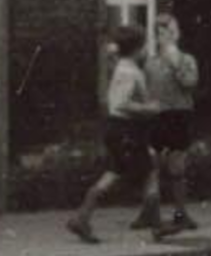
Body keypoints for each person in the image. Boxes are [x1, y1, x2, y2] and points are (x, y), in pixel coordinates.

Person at [66, 25, 161, 244]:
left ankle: (82, 217)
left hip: (116, 129)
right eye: (145, 45)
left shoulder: (121, 66)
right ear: (138, 48)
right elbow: (121, 103)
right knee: (150, 171)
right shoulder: (131, 72)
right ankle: (157, 226)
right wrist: (149, 108)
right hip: (128, 130)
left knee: (115, 172)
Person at [133, 13, 200, 239]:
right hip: (157, 117)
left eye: (170, 32)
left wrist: (175, 63)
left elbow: (190, 83)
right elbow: (143, 90)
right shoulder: (151, 63)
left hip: (180, 116)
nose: (166, 37)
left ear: (177, 34)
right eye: (161, 33)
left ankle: (181, 213)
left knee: (177, 168)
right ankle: (148, 213)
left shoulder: (187, 60)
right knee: (152, 167)